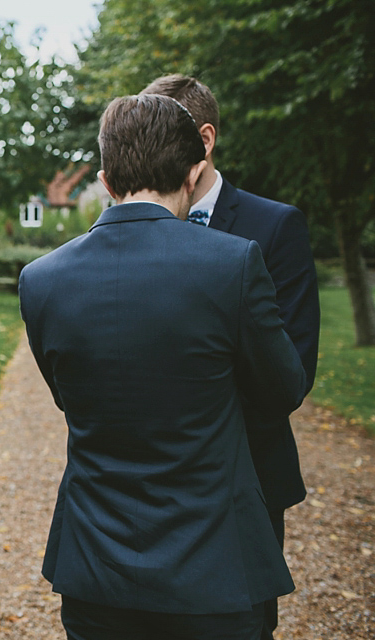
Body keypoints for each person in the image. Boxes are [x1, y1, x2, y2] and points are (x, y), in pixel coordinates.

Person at [19, 94, 306, 640]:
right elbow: (283, 389)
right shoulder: (234, 262)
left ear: (105, 179)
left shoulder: (41, 278)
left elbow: (67, 394)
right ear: (194, 172)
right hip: (213, 561)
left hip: (95, 560)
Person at [141, 74, 320, 640]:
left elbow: (293, 368)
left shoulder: (274, 227)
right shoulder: (131, 230)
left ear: (204, 140)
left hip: (246, 480)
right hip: (141, 484)